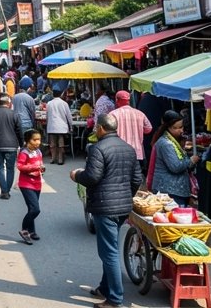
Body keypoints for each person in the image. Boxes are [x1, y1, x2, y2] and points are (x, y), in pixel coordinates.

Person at [71, 113, 143, 308]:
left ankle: (114, 299)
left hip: (105, 207)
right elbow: (137, 179)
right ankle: (105, 287)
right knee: (109, 247)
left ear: (102, 128)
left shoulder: (98, 149)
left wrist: (77, 175)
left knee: (109, 252)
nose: (95, 130)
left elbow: (92, 177)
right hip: (122, 207)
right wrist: (127, 196)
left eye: (96, 128)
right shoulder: (128, 148)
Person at [147, 110, 200, 207]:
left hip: (174, 190)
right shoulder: (166, 143)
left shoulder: (171, 141)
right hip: (169, 191)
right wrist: (191, 161)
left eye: (181, 127)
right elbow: (175, 166)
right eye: (176, 128)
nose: (181, 130)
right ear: (168, 128)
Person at [0, 95, 23, 199]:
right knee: (10, 169)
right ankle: (7, 190)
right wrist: (21, 143)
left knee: (0, 168)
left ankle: (4, 190)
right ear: (9, 104)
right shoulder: (14, 114)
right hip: (12, 145)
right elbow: (19, 130)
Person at [109, 90, 152, 169]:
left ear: (117, 100)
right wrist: (138, 130)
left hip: (119, 152)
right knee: (136, 177)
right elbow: (149, 129)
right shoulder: (140, 114)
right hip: (137, 152)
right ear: (129, 100)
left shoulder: (113, 114)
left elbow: (108, 131)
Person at [16, 129, 45, 245]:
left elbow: (40, 164)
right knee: (35, 209)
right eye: (35, 140)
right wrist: (34, 167)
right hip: (26, 184)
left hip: (37, 183)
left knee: (31, 208)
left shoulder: (38, 152)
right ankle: (24, 230)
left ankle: (32, 231)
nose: (38, 142)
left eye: (39, 139)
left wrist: (41, 168)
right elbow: (20, 166)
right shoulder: (24, 152)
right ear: (28, 140)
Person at [45, 88, 73, 165]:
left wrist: (47, 124)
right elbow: (69, 116)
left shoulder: (49, 103)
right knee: (61, 143)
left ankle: (53, 158)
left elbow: (47, 116)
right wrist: (71, 126)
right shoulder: (64, 103)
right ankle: (60, 159)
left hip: (52, 126)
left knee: (52, 144)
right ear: (60, 95)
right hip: (61, 127)